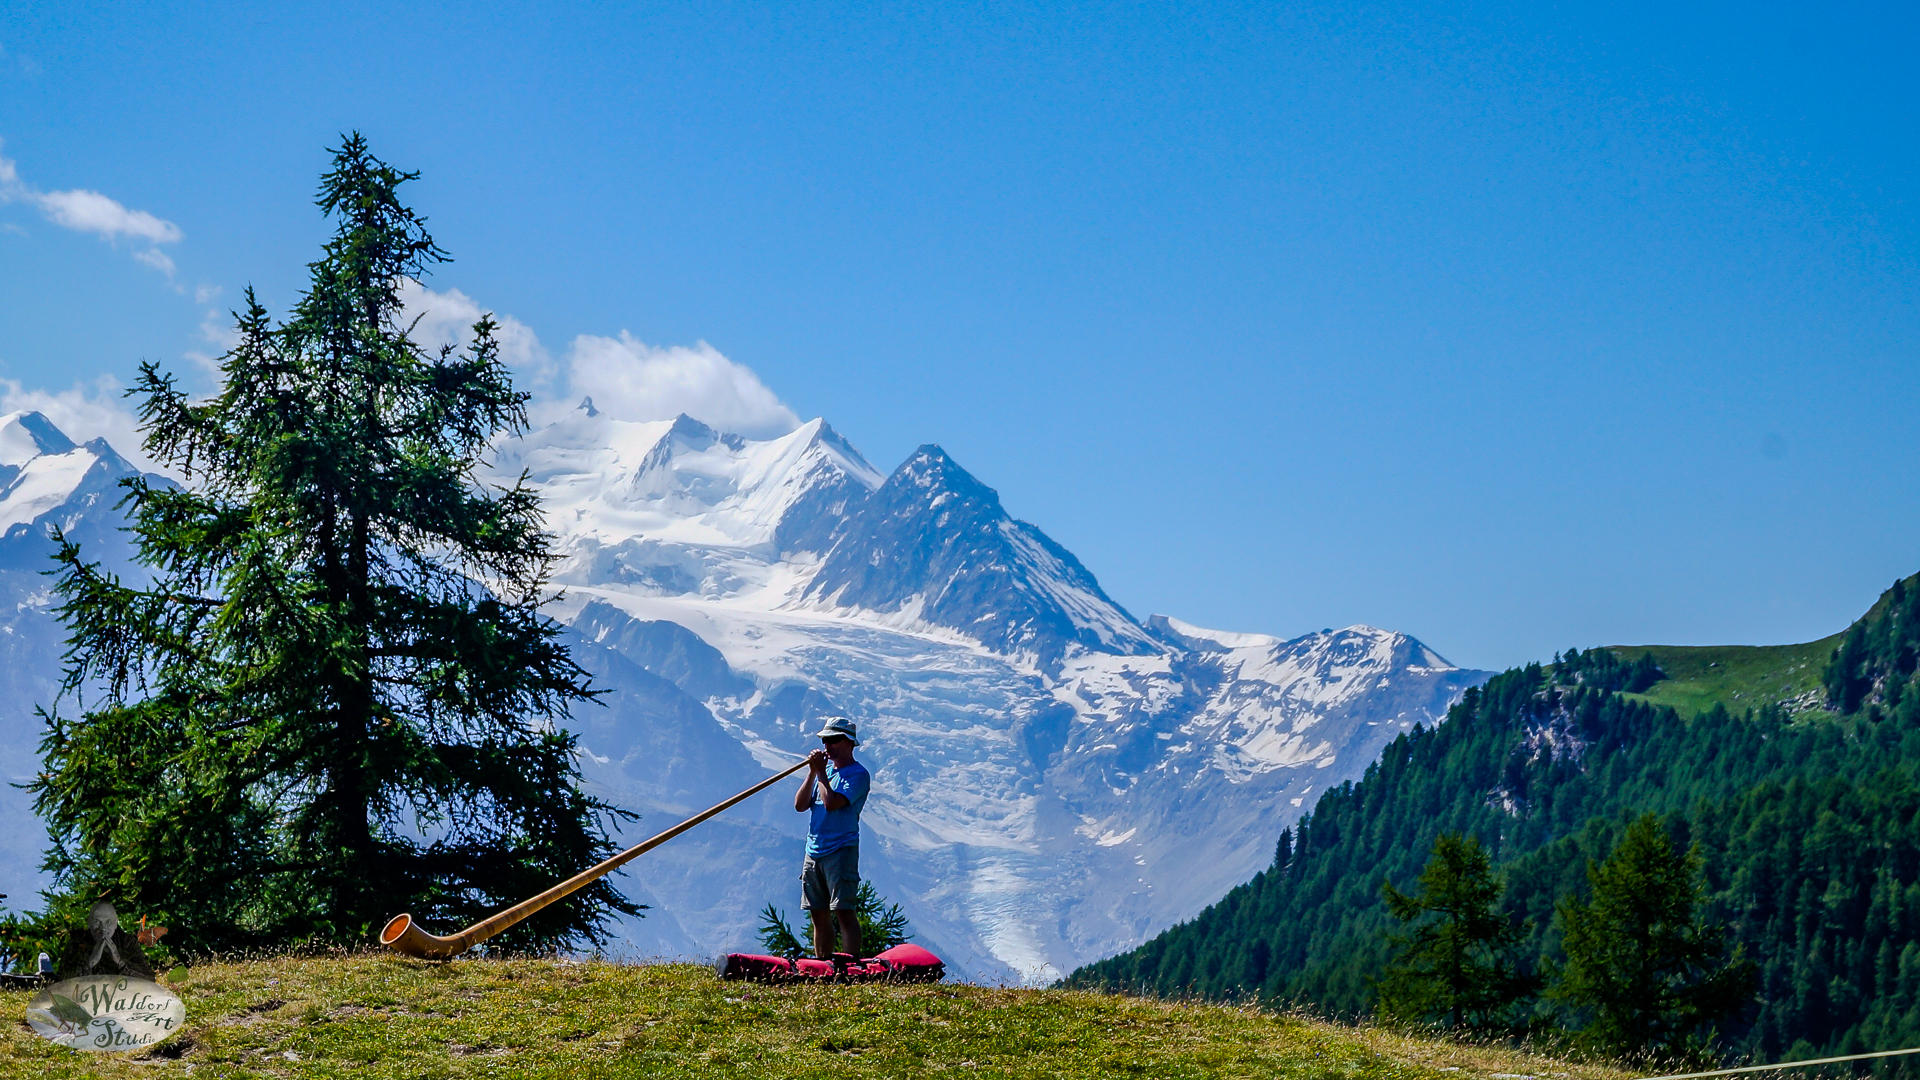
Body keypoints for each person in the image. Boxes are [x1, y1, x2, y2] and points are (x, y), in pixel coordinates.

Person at [793, 716, 871, 960]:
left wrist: (821, 776)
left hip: (841, 849)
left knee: (843, 911)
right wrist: (812, 774)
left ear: (849, 743)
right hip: (814, 849)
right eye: (825, 741)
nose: (828, 746)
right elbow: (800, 804)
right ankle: (823, 964)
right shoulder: (822, 774)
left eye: (834, 740)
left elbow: (832, 803)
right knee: (818, 912)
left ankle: (851, 967)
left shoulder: (858, 775)